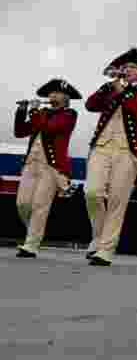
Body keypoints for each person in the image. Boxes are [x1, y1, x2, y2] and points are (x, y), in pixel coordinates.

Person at [84, 49, 137, 266]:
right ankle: (98, 237)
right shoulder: (111, 89)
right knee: (92, 192)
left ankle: (106, 250)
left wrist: (122, 92)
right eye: (124, 67)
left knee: (118, 201)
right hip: (101, 147)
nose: (126, 71)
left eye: (131, 68)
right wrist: (109, 86)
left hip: (128, 152)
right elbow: (90, 105)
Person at [13, 78, 80, 258]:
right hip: (31, 163)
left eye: (57, 93)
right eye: (51, 93)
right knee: (23, 204)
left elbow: (50, 128)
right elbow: (20, 132)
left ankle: (31, 244)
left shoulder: (69, 114)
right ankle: (34, 234)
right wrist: (21, 111)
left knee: (39, 205)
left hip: (51, 167)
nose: (52, 95)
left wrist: (35, 110)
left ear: (66, 98)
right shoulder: (41, 113)